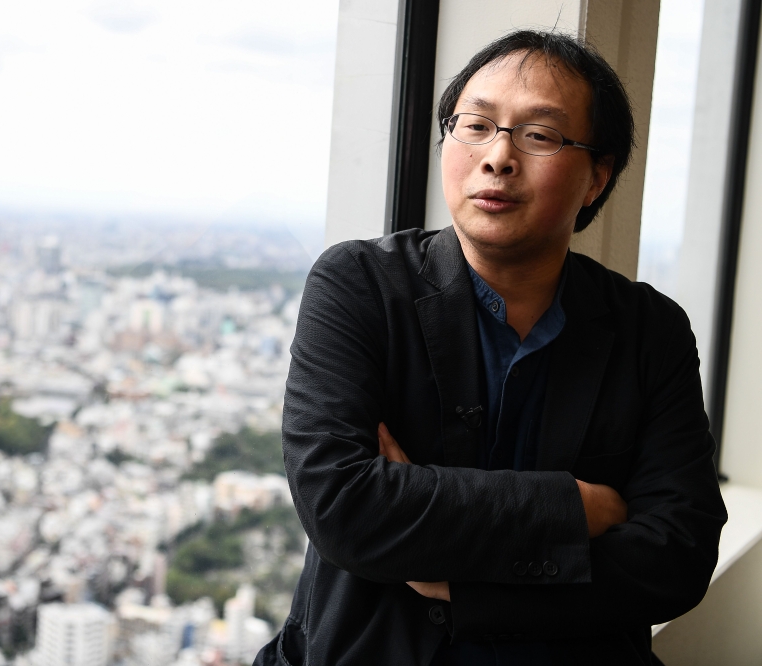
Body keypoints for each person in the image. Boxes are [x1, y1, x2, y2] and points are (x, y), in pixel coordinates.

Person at [254, 30, 727, 666]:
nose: (498, 156)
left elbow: (678, 557)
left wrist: (462, 582)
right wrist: (577, 508)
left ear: (596, 178)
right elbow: (345, 507)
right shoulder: (361, 286)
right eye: (475, 125)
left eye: (539, 135)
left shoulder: (650, 329)